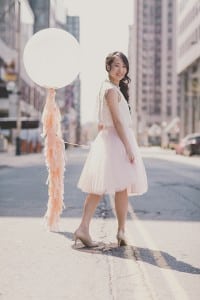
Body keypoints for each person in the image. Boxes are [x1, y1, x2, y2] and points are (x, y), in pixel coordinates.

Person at [74, 51, 148, 247]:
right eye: (116, 65)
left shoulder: (108, 88)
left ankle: (86, 227)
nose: (121, 70)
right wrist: (128, 147)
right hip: (117, 141)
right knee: (119, 187)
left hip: (110, 139)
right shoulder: (111, 90)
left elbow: (106, 119)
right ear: (108, 67)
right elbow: (117, 121)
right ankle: (120, 231)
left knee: (100, 187)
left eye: (124, 66)